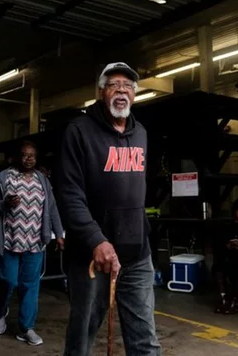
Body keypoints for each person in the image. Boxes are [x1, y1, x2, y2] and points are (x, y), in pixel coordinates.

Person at [57, 62, 161, 356]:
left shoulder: (140, 132)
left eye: (128, 86)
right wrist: (96, 240)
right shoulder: (79, 131)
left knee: (145, 337)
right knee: (83, 333)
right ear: (101, 91)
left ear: (135, 95)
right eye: (114, 84)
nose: (122, 91)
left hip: (136, 253)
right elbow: (69, 193)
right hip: (91, 255)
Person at [0, 141, 65, 346]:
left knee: (30, 286)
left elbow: (52, 207)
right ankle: (0, 312)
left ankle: (26, 328)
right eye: (24, 155)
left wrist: (58, 233)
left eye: (32, 156)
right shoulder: (3, 178)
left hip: (35, 242)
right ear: (16, 157)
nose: (28, 159)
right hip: (9, 241)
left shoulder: (42, 180)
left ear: (36, 159)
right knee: (8, 281)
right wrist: (3, 204)